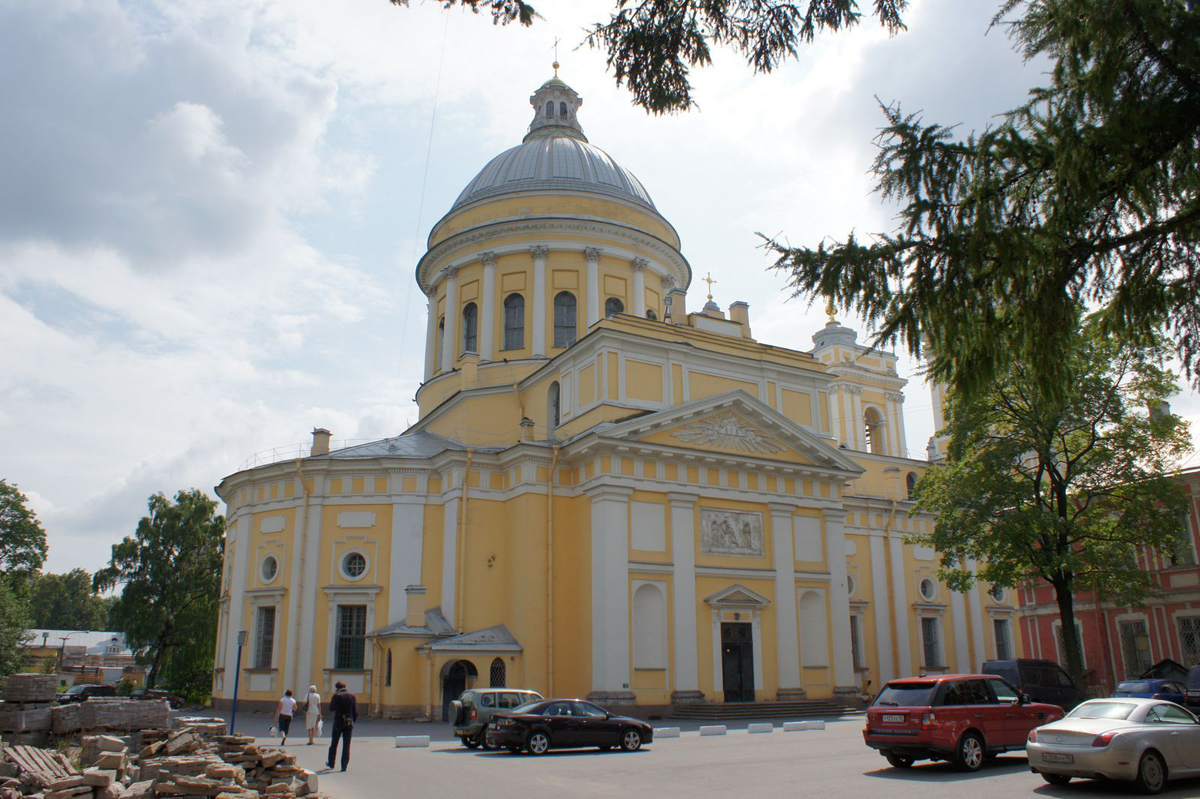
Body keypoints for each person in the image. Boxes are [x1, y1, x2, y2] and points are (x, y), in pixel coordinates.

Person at [326, 680, 357, 772]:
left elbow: (331, 708)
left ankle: (331, 762)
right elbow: (355, 711)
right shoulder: (352, 695)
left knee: (334, 743)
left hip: (339, 721)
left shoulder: (337, 696)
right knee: (346, 745)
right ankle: (344, 765)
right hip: (349, 722)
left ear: (337, 688)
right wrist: (353, 721)